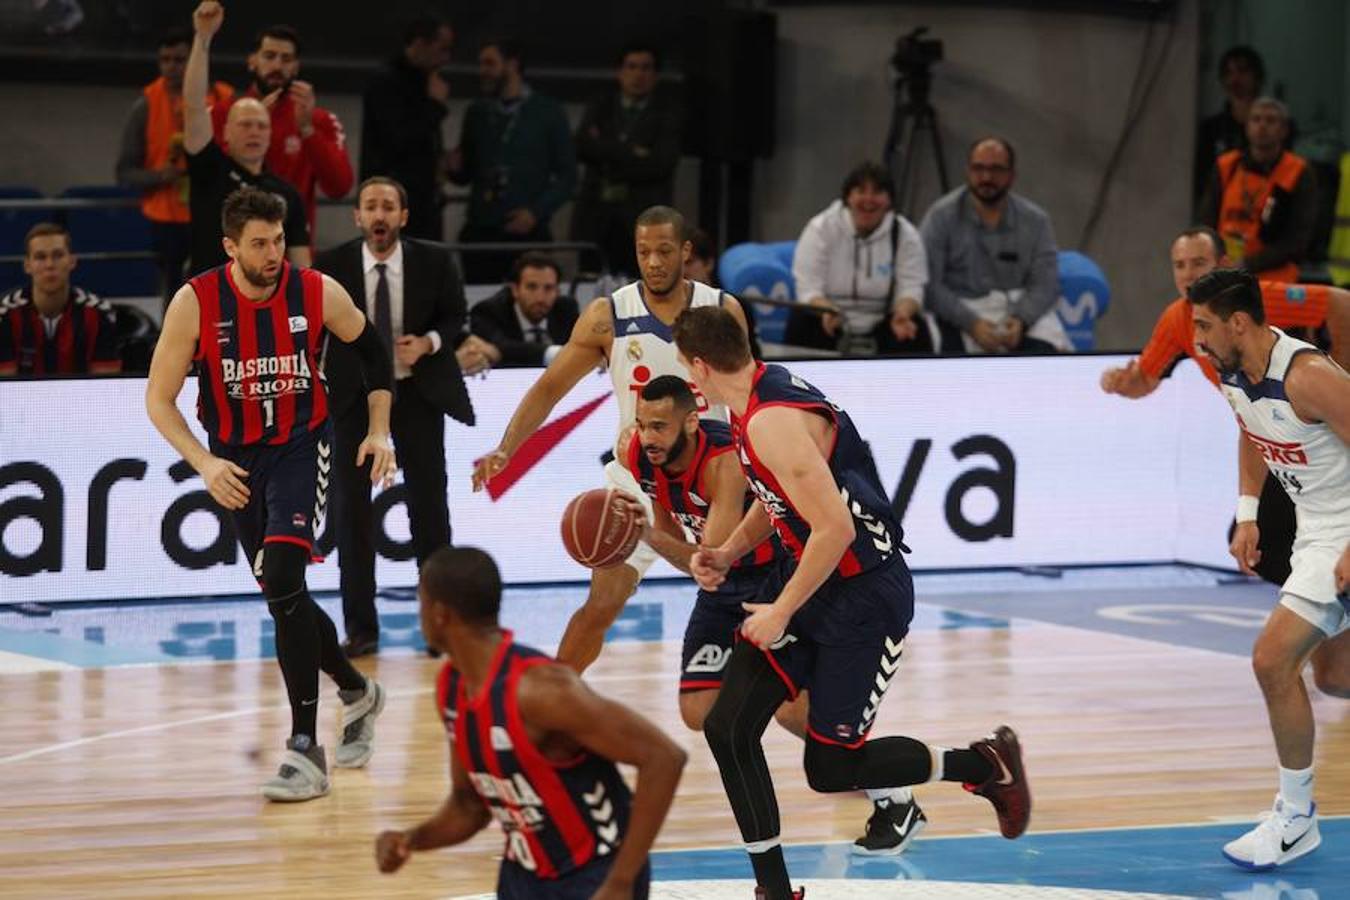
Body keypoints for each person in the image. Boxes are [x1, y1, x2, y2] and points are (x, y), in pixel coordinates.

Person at [671, 305, 1030, 900]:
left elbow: (834, 528)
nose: (690, 379)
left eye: (688, 368)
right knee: (729, 729)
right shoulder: (753, 400)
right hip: (815, 578)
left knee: (832, 768)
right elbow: (779, 495)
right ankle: (774, 893)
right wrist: (732, 550)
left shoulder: (769, 422)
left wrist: (781, 609)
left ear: (702, 366)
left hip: (864, 595)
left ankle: (986, 764)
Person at [145, 186, 396, 801]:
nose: (273, 252)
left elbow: (374, 354)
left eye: (279, 239)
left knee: (285, 572)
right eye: (259, 243)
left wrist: (380, 429)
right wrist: (204, 463)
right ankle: (358, 690)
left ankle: (305, 749)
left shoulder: (315, 290)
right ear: (230, 246)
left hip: (300, 446)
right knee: (283, 597)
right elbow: (158, 398)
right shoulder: (196, 301)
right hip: (232, 459)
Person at [626, 375, 928, 856]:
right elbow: (684, 547)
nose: (647, 436)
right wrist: (655, 536)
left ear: (689, 421)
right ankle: (840, 768)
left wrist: (641, 535)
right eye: (642, 425)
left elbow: (701, 550)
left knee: (789, 713)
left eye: (658, 426)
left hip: (767, 578)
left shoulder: (725, 457)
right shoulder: (640, 455)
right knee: (700, 710)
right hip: (721, 584)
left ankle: (887, 789)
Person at [471, 205, 750, 672]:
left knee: (744, 596)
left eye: (664, 251)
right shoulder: (609, 315)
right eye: (644, 252)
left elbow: (747, 396)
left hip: (712, 476)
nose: (654, 262)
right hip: (639, 479)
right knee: (602, 604)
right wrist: (506, 447)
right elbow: (549, 388)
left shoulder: (721, 309)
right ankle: (555, 706)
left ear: (685, 251)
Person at [375, 546, 687, 899]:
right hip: (523, 877)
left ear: (440, 614)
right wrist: (410, 840)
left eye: (421, 604)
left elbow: (664, 757)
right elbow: (469, 807)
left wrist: (621, 881)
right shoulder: (452, 687)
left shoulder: (542, 690)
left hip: (596, 874)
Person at [1185, 268, 1350, 871]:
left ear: (1239, 322)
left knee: (1271, 659)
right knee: (1333, 676)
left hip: (1346, 531)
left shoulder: (1307, 375)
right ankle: (1297, 814)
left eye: (1204, 325)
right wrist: (1248, 512)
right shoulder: (1234, 372)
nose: (1197, 339)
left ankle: (1296, 816)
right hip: (1317, 533)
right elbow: (1252, 431)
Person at [1100, 226, 1350, 585]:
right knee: (1262, 538)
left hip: (1312, 433)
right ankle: (1315, 611)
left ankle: (1318, 612)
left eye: (1198, 263)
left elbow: (1341, 303)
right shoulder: (1178, 317)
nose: (1188, 274)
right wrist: (1123, 384)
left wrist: (1336, 382)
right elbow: (1146, 378)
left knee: (1278, 537)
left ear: (1223, 263)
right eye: (1179, 265)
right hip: (1273, 436)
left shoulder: (1255, 301)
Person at [316, 176, 475, 658]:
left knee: (430, 512)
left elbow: (456, 319)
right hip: (354, 404)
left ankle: (441, 626)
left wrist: (428, 342)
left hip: (417, 395)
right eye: (371, 206)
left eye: (389, 206)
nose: (380, 214)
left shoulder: (434, 260)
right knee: (352, 517)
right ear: (358, 216)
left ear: (403, 216)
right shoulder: (332, 266)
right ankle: (361, 628)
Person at [183, 2, 310, 275]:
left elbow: (303, 268)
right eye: (245, 125)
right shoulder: (209, 168)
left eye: (261, 126)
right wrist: (202, 39)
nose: (254, 132)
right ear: (226, 131)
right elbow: (193, 105)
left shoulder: (287, 194)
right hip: (211, 300)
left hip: (266, 305)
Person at [115, 26, 235, 305]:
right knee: (174, 295)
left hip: (212, 214)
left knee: (219, 289)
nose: (172, 67)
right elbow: (124, 172)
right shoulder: (145, 105)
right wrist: (160, 176)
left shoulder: (223, 98)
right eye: (165, 60)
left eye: (180, 60)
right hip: (165, 220)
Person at [919, 137, 1067, 354]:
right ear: (968, 171)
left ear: (1012, 175)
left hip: (1017, 310)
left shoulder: (1036, 221)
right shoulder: (940, 216)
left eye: (996, 169)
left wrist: (1020, 320)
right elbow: (929, 284)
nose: (986, 177)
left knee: (1047, 353)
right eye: (979, 168)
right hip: (959, 311)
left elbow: (1046, 284)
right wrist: (972, 324)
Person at [449, 38, 577, 284]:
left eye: (489, 63)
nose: (482, 71)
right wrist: (454, 168)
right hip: (481, 230)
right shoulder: (477, 111)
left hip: (528, 233)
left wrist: (536, 212)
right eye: (481, 64)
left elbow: (568, 176)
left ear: (512, 64)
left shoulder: (548, 112)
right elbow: (466, 174)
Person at [212, 23, 354, 237]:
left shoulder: (319, 120)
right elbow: (206, 175)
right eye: (269, 56)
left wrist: (307, 131)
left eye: (286, 59)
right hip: (228, 245)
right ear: (252, 61)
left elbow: (339, 188)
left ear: (296, 67)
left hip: (292, 247)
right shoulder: (222, 113)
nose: (277, 65)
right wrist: (255, 119)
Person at [790, 160, 932, 355]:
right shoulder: (820, 229)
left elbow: (912, 286)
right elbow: (807, 288)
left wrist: (903, 313)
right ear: (848, 197)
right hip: (830, 316)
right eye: (861, 191)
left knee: (916, 329)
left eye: (877, 192)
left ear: (889, 200)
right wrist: (827, 310)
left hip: (884, 321)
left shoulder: (906, 234)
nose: (869, 200)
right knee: (801, 320)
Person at [571, 43, 682, 278]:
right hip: (596, 220)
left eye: (645, 68)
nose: (638, 74)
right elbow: (583, 146)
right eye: (631, 67)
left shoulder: (668, 114)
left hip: (641, 222)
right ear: (620, 72)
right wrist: (633, 152)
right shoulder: (600, 106)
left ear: (655, 75)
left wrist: (607, 153)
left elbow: (661, 164)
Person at [1199, 98, 1317, 284]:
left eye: (1270, 121)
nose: (1262, 126)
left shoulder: (1298, 171)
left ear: (1284, 130)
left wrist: (1247, 264)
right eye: (1256, 119)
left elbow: (1298, 241)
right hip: (1225, 276)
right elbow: (1206, 223)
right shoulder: (1227, 166)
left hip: (1275, 280)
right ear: (1247, 126)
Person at [359, 16, 454, 241]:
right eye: (442, 49)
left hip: (425, 203)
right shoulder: (386, 81)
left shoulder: (426, 80)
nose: (446, 59)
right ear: (420, 44)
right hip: (393, 202)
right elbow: (397, 140)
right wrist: (436, 106)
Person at [0, 223, 121, 376]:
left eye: (57, 255)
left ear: (72, 261)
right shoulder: (4, 315)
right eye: (40, 257)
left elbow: (108, 385)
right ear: (27, 265)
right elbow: (4, 388)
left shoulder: (99, 313)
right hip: (20, 400)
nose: (49, 265)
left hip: (83, 399)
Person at [468, 251, 580, 368]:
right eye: (532, 287)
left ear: (557, 291)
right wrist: (554, 353)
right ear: (515, 290)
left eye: (549, 288)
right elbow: (499, 347)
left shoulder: (567, 309)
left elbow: (585, 345)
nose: (540, 298)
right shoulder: (488, 311)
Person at [1194, 46, 1267, 207]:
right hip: (1223, 213)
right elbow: (1203, 180)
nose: (1235, 79)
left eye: (1242, 71)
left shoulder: (1274, 127)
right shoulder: (1212, 129)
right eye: (1228, 73)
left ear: (1257, 77)